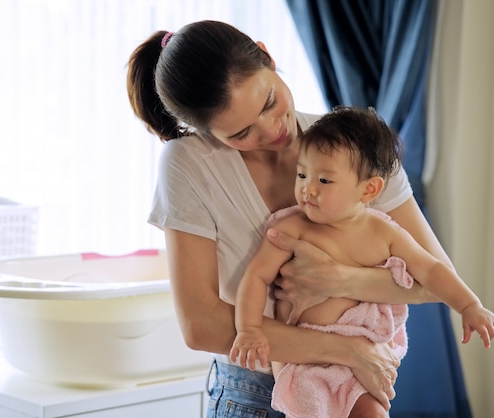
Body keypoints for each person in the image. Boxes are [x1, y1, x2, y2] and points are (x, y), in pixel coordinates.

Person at [126, 20, 453, 418]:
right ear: (207, 132)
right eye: (241, 133)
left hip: (355, 386)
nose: (272, 129)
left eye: (268, 102)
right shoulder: (190, 164)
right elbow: (200, 325)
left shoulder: (355, 146)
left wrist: (337, 279)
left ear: (267, 56)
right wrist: (346, 349)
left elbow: (435, 280)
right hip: (255, 395)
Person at [229, 106, 494, 418]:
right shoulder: (291, 229)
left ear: (368, 189)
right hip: (306, 358)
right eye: (302, 174)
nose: (307, 188)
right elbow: (256, 277)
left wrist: (469, 305)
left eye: (324, 180)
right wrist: (248, 329)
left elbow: (431, 269)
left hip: (362, 362)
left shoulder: (384, 232)